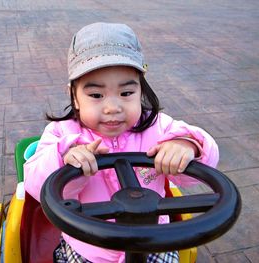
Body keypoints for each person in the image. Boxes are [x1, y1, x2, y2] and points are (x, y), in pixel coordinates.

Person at [24, 22, 219, 263]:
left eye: (126, 93)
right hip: (89, 247)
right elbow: (36, 186)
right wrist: (64, 160)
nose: (113, 108)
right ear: (74, 96)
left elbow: (194, 175)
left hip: (154, 241)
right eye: (96, 95)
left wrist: (187, 146)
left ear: (140, 91)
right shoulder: (61, 134)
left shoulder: (159, 127)